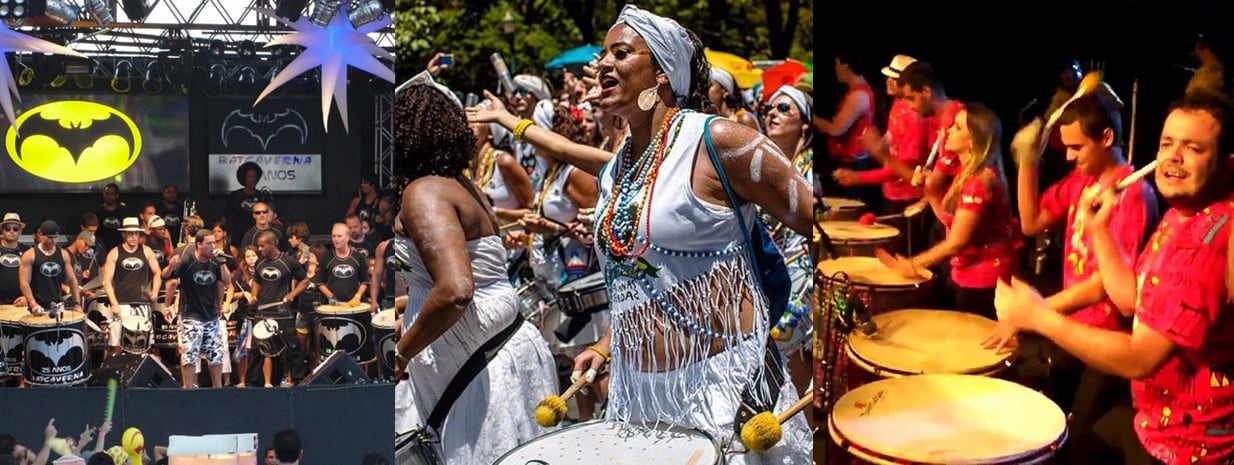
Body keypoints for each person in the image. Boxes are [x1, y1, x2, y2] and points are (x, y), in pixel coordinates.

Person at [467, 5, 812, 463]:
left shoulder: (719, 142)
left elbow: (818, 221)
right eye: (604, 55)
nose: (603, 64)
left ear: (663, 73)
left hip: (727, 392)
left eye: (622, 53)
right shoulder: (619, 170)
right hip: (640, 398)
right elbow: (643, 275)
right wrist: (609, 344)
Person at [995, 92, 1234, 465]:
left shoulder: (1211, 241)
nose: (1173, 156)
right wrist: (1100, 229)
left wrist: (1040, 316)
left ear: (1225, 165)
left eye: (1194, 148)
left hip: (1188, 446)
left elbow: (1140, 358)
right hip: (1152, 419)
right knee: (1075, 447)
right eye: (1167, 143)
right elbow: (1132, 299)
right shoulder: (1179, 216)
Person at [393, 82, 556, 465]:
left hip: (482, 369)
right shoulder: (460, 185)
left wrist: (401, 354)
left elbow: (455, 290)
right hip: (495, 355)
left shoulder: (424, 193)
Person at [998, 93, 1158, 462]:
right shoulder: (1080, 182)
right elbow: (1031, 222)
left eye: (1077, 147)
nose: (1069, 156)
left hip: (1107, 337)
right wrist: (1027, 163)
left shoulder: (1130, 193)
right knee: (1049, 423)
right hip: (1072, 327)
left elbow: (1103, 286)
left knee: (1081, 440)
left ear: (1105, 138)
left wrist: (1033, 313)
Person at [876, 103, 1018, 319]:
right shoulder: (968, 173)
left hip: (984, 278)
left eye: (958, 128)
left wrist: (913, 264)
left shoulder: (979, 181)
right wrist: (932, 194)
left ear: (974, 140)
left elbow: (957, 242)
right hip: (969, 273)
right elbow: (954, 225)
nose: (949, 131)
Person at [169, 230, 231, 387]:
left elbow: (225, 281)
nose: (212, 246)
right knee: (189, 354)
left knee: (216, 354)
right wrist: (170, 267)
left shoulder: (215, 262)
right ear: (199, 244)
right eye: (209, 243)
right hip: (191, 314)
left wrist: (222, 262)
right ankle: (188, 388)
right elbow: (169, 279)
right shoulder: (188, 260)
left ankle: (217, 389)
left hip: (210, 314)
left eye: (213, 243)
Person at [101, 217, 162, 356]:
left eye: (136, 233)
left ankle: (140, 376)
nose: (134, 236)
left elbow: (158, 272)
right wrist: (113, 303)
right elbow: (106, 281)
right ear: (123, 234)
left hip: (142, 302)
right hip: (122, 303)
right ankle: (113, 375)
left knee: (143, 344)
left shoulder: (146, 250)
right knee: (116, 344)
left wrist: (155, 291)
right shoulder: (115, 252)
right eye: (130, 233)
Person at [19, 221, 82, 316]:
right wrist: (33, 304)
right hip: (38, 306)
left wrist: (77, 303)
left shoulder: (63, 254)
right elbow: (24, 283)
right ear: (41, 235)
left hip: (57, 305)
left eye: (56, 237)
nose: (53, 241)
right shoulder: (30, 255)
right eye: (50, 238)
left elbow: (72, 279)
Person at [222, 162, 273, 249]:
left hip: (256, 234)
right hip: (238, 235)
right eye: (249, 177)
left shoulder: (261, 196)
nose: (253, 179)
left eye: (254, 177)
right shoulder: (235, 196)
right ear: (244, 178)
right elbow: (225, 215)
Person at [0, 213, 29, 305]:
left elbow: (35, 278)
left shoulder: (27, 251)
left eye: (15, 229)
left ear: (20, 231)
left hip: (20, 303)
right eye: (7, 228)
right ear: (2, 231)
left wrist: (27, 297)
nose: (11, 231)